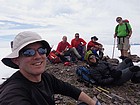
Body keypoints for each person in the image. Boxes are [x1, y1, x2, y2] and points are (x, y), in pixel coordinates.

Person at [0, 31, 100, 105]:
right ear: (16, 60)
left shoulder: (46, 78)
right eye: (28, 52)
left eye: (41, 50)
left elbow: (71, 90)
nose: (38, 56)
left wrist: (93, 103)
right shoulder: (14, 92)